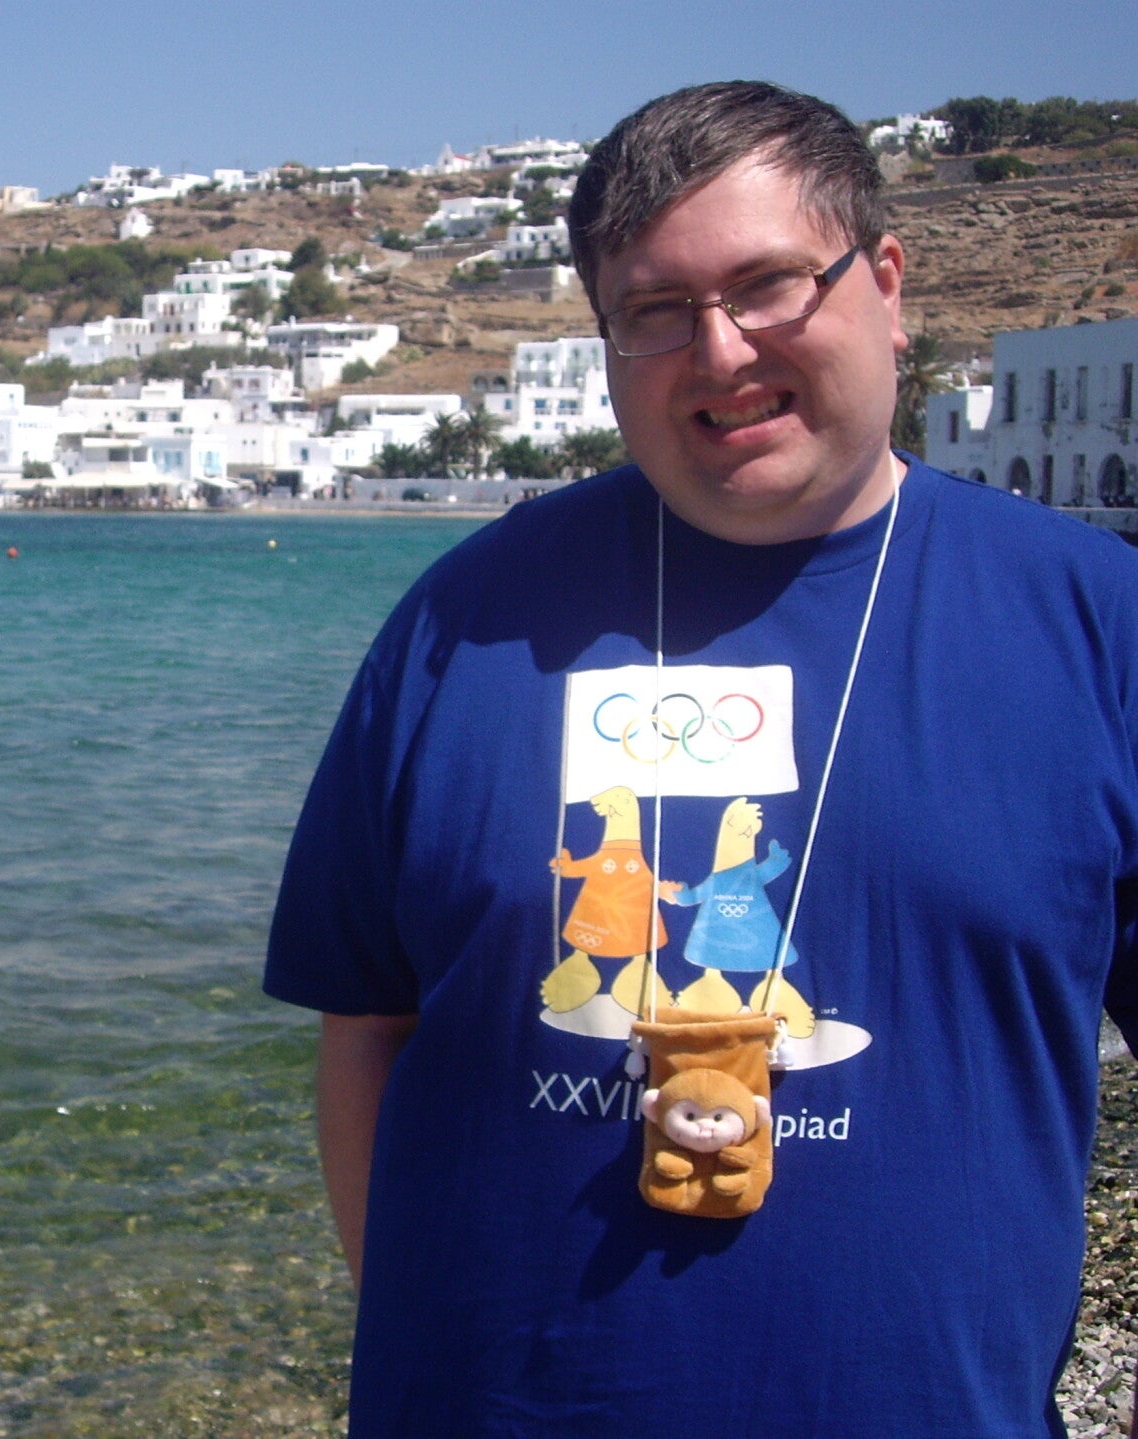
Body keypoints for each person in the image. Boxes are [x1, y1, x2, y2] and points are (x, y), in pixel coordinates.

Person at [265, 80, 1138, 1438]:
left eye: (769, 285)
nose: (721, 352)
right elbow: (366, 1029)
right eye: (656, 309)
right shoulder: (465, 622)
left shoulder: (1096, 625)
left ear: (886, 285)